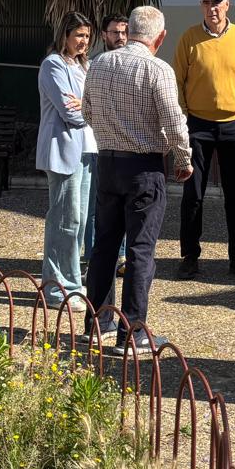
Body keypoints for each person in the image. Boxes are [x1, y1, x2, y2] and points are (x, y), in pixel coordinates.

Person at [82, 5, 193, 353]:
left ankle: (97, 324)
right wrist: (184, 157)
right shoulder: (157, 68)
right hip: (143, 167)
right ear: (159, 37)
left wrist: (109, 133)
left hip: (108, 161)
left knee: (104, 246)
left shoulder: (99, 63)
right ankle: (133, 332)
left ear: (128, 31)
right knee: (140, 249)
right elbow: (174, 121)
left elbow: (86, 111)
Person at [174, 0, 235, 281]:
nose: (212, 8)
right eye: (206, 2)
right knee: (192, 193)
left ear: (228, 5)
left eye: (217, 2)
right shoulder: (189, 38)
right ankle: (189, 256)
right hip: (198, 125)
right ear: (201, 6)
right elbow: (177, 80)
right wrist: (184, 117)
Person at [36, 13, 97, 310]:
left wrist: (87, 105)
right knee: (64, 220)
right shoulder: (53, 65)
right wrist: (91, 107)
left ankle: (66, 281)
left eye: (87, 36)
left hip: (87, 149)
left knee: (79, 221)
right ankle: (59, 288)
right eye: (79, 36)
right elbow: (69, 111)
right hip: (63, 150)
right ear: (65, 35)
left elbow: (91, 104)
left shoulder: (84, 65)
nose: (84, 41)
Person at [83, 14, 130, 274]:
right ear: (104, 35)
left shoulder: (131, 64)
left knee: (122, 205)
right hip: (99, 143)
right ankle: (94, 257)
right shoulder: (95, 65)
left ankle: (121, 257)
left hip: (125, 145)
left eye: (124, 32)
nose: (120, 37)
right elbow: (85, 107)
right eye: (114, 32)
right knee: (96, 206)